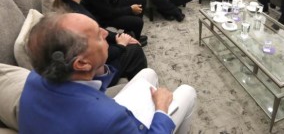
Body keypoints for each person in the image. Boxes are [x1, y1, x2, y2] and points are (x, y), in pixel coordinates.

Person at [19, 12, 197, 133]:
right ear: (81, 63)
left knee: (148, 73)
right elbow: (102, 117)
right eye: (97, 35)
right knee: (187, 92)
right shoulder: (109, 118)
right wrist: (161, 109)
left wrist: (97, 66)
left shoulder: (35, 76)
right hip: (104, 120)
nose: (106, 33)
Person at [47, 0, 147, 86]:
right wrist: (121, 45)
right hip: (96, 73)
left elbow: (99, 32)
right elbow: (102, 56)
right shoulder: (78, 20)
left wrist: (117, 36)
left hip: (91, 59)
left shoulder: (66, 4)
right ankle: (142, 89)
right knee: (135, 50)